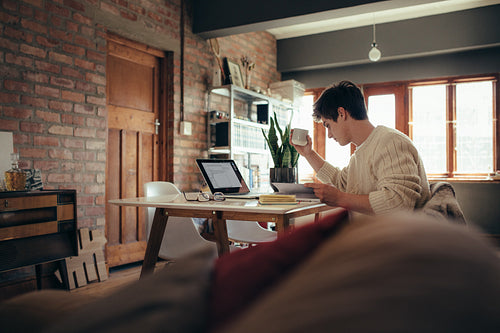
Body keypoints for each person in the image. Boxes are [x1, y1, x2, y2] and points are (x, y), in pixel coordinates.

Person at [292, 80, 430, 215]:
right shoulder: (361, 152)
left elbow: (399, 203)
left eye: (328, 125)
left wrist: (340, 198)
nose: (329, 135)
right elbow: (340, 182)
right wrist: (308, 154)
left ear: (341, 113)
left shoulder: (390, 142)